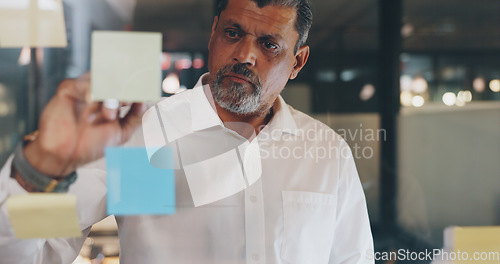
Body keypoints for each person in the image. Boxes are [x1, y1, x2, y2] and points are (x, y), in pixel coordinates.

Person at [0, 0, 374, 263]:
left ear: (298, 61)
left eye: (269, 44)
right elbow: (33, 253)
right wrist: (41, 167)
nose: (245, 55)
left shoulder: (326, 152)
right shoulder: (141, 139)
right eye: (233, 32)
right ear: (213, 33)